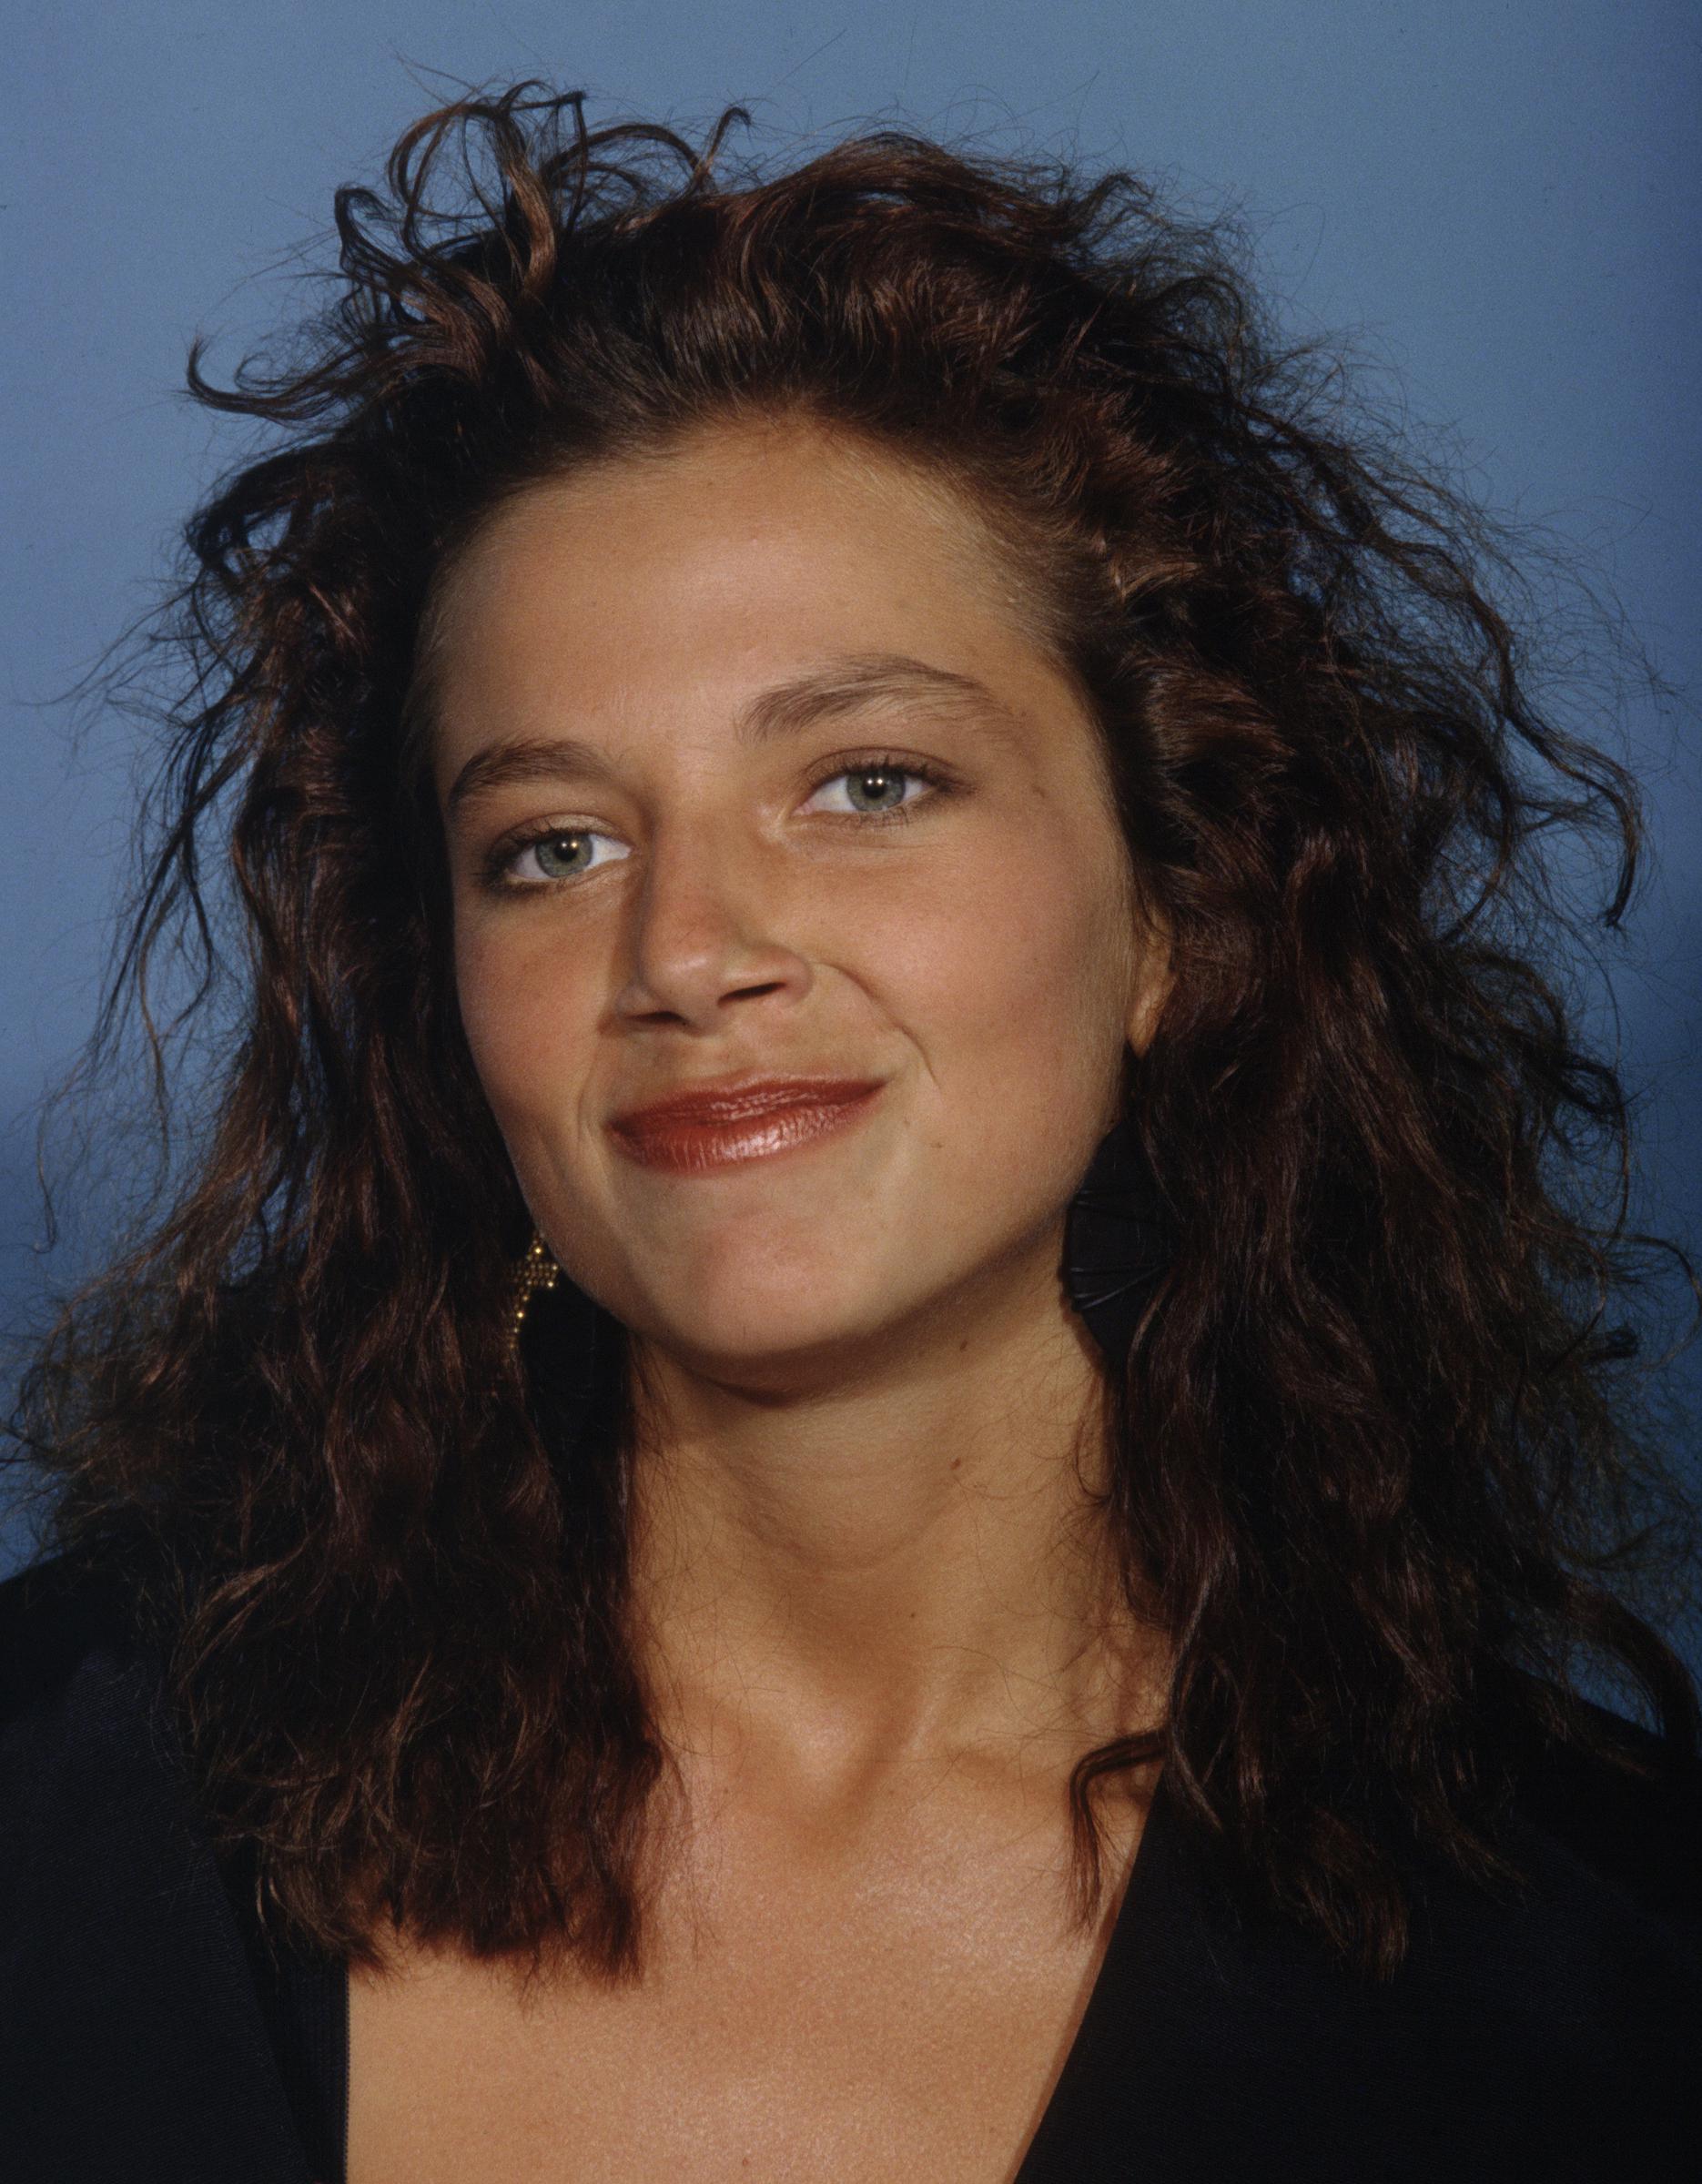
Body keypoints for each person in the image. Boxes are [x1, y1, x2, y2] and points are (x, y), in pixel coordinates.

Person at [2, 80, 1698, 2184]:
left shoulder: (1607, 1990)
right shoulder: (64, 1784)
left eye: (867, 782)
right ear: (441, 1004)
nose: (687, 949)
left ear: (1178, 908)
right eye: (550, 843)